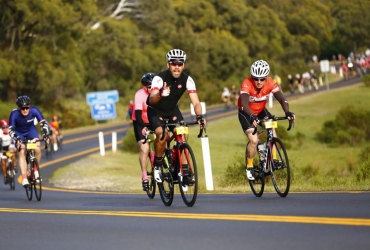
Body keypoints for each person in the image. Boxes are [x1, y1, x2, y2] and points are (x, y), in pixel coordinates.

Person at [147, 49, 205, 183]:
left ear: (183, 65)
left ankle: (184, 171)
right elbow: (151, 99)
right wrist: (160, 94)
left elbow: (196, 102)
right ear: (168, 64)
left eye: (180, 64)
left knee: (182, 136)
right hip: (155, 110)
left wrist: (200, 116)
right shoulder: (159, 78)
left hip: (172, 110)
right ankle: (158, 165)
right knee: (161, 134)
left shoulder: (188, 80)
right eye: (174, 64)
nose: (177, 67)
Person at [237, 60, 295, 180]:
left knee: (271, 128)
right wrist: (252, 116)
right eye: (256, 78)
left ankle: (273, 159)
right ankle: (249, 166)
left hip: (261, 110)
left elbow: (281, 98)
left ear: (266, 77)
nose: (258, 81)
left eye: (262, 79)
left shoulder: (271, 83)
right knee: (253, 140)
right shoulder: (247, 83)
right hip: (246, 112)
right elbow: (243, 103)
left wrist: (287, 112)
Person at [9, 96, 50, 187]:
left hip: (31, 131)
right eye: (23, 108)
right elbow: (11, 130)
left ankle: (35, 169)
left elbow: (43, 123)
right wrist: (17, 139)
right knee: (22, 151)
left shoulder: (34, 110)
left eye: (27, 107)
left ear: (29, 106)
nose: (25, 110)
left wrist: (45, 135)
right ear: (19, 108)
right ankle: (24, 178)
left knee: (37, 149)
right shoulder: (14, 114)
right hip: (19, 133)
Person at [132, 72, 156, 191]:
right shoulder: (139, 95)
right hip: (140, 121)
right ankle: (144, 176)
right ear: (144, 86)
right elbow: (138, 113)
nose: (152, 88)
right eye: (149, 86)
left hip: (153, 120)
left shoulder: (159, 92)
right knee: (144, 148)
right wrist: (143, 127)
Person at [0, 119, 17, 184]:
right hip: (2, 148)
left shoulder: (11, 131)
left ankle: (15, 166)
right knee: (3, 162)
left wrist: (16, 148)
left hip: (10, 146)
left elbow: (15, 140)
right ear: (1, 128)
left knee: (12, 152)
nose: (5, 129)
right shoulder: (0, 133)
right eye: (3, 127)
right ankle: (5, 176)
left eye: (7, 127)